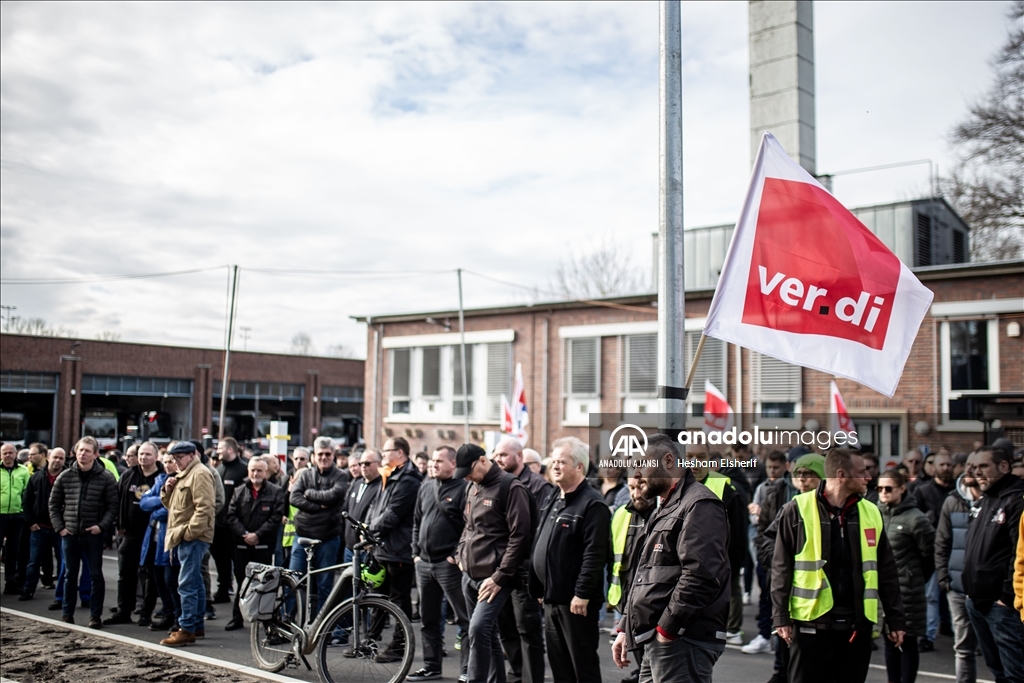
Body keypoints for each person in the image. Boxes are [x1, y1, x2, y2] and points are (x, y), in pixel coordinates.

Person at [771, 448, 906, 683]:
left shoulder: (871, 512)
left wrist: (896, 620)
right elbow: (781, 567)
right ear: (842, 475)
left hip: (857, 627)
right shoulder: (796, 509)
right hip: (810, 626)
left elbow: (887, 571)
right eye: (862, 472)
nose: (868, 477)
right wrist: (781, 616)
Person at [611, 435, 730, 683]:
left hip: (681, 640)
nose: (636, 474)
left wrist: (667, 630)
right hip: (659, 638)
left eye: (641, 464)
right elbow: (647, 574)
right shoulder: (665, 507)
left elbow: (701, 576)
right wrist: (626, 628)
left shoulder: (699, 504)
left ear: (667, 460)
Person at [530, 437, 609, 683]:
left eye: (562, 462)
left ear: (579, 467)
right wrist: (540, 587)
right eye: (553, 461)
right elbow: (541, 543)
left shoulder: (592, 504)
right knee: (560, 667)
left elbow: (595, 555)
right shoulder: (554, 498)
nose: (555, 466)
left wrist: (582, 593)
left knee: (581, 666)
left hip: (576, 603)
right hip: (553, 599)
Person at [455, 443, 532, 683]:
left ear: (481, 460)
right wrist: (460, 555)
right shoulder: (472, 486)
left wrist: (499, 577)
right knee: (485, 634)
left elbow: (520, 537)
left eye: (468, 470)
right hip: (469, 575)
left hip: (494, 578)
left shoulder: (511, 487)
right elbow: (468, 527)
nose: (466, 477)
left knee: (478, 630)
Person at [758, 453, 824, 683]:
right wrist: (777, 561)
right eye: (799, 474)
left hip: (819, 601)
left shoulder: (832, 509)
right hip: (789, 591)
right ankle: (780, 673)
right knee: (786, 647)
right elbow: (766, 537)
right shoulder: (789, 504)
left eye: (809, 474)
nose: (803, 480)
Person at [408, 445, 471, 682]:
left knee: (464, 618)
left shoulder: (465, 489)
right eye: (433, 460)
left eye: (439, 461)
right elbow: (416, 522)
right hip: (424, 564)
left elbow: (470, 527)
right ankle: (431, 666)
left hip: (449, 566)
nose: (433, 464)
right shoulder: (425, 487)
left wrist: (456, 554)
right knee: (428, 619)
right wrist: (415, 553)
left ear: (453, 464)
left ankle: (466, 670)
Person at [962, 446, 1024, 683]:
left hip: (1003, 607)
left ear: (1004, 467)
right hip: (976, 601)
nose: (978, 473)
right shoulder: (984, 501)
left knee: (1015, 674)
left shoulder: (1017, 500)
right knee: (996, 671)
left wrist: (1007, 597)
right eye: (975, 468)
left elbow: (1019, 554)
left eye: (984, 467)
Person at [493, 435, 552, 683]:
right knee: (506, 629)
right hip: (501, 569)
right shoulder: (497, 484)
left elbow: (539, 533)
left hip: (525, 571)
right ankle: (516, 676)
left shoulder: (539, 487)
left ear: (518, 456)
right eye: (495, 455)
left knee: (528, 632)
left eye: (503, 455)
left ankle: (531, 679)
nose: (498, 459)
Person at [48, 436, 119, 628]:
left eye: (87, 451)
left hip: (93, 534)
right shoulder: (66, 476)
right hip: (70, 533)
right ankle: (66, 613)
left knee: (96, 575)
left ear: (96, 454)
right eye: (80, 450)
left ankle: (95, 615)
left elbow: (113, 506)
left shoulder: (105, 477)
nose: (83, 454)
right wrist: (60, 528)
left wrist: (101, 526)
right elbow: (53, 504)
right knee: (70, 574)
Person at [365, 436, 423, 661]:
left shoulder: (408, 479)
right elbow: (376, 506)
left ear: (400, 453)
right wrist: (367, 528)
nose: (383, 455)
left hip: (398, 548)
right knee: (378, 597)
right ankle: (370, 641)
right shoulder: (389, 474)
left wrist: (371, 528)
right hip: (384, 546)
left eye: (387, 450)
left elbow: (393, 513)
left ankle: (400, 646)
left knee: (399, 600)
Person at [687, 442, 748, 645]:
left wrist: (733, 563)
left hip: (720, 561)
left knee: (729, 591)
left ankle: (732, 628)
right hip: (687, 563)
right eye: (689, 457)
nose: (694, 463)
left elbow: (739, 532)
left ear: (709, 459)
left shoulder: (725, 487)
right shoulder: (674, 484)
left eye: (701, 457)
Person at [877, 469, 935, 683]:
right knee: (889, 640)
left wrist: (914, 576)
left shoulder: (916, 519)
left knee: (907, 642)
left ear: (902, 488)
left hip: (908, 591)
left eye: (888, 488)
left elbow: (930, 555)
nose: (883, 492)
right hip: (883, 590)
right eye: (880, 488)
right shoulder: (875, 513)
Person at [160, 440, 217, 646]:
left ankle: (187, 629)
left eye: (180, 458)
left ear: (192, 455)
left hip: (191, 537)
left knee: (187, 583)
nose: (176, 462)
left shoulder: (199, 473)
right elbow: (173, 506)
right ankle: (195, 625)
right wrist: (167, 490)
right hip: (185, 535)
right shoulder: (185, 473)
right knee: (195, 582)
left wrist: (189, 533)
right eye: (174, 459)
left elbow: (205, 508)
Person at [104, 440, 164, 625]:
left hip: (152, 533)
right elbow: (118, 499)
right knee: (125, 572)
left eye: (147, 454)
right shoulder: (129, 475)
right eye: (141, 454)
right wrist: (118, 524)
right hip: (130, 531)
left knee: (150, 574)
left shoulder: (162, 477)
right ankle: (124, 610)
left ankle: (146, 612)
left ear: (155, 456)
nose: (143, 457)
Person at [224, 456, 286, 630]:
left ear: (265, 472)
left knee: (264, 584)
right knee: (241, 582)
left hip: (263, 545)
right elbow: (231, 515)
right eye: (252, 470)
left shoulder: (276, 491)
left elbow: (276, 517)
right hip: (242, 544)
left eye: (259, 470)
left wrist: (258, 535)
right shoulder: (239, 491)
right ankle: (237, 618)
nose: (255, 473)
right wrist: (245, 534)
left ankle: (265, 621)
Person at [935, 461, 983, 683]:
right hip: (957, 587)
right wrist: (945, 579)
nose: (972, 471)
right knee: (963, 649)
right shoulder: (952, 501)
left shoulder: (995, 502)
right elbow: (942, 542)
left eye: (979, 466)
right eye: (970, 465)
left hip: (987, 589)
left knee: (998, 646)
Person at [289, 436, 347, 617]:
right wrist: (318, 506)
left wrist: (309, 494)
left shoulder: (341, 476)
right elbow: (294, 498)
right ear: (314, 455)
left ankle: (321, 625)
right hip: (302, 537)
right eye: (320, 454)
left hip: (328, 538)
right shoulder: (306, 474)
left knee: (324, 585)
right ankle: (286, 621)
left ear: (333, 455)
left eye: (327, 454)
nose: (324, 457)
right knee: (293, 580)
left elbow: (334, 496)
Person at [606, 477, 656, 683]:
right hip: (627, 602)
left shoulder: (665, 514)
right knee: (642, 661)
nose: (636, 494)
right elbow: (612, 558)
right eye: (631, 488)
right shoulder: (621, 514)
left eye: (641, 487)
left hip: (655, 606)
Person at [743, 450, 792, 656]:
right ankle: (765, 635)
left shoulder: (789, 489)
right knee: (765, 594)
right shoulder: (762, 488)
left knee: (779, 596)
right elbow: (754, 520)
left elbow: (787, 519)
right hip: (765, 547)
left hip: (784, 550)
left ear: (785, 467)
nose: (772, 471)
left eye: (776, 468)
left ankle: (777, 638)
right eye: (770, 467)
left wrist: (762, 514)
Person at [914, 449, 955, 651]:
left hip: (955, 550)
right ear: (933, 467)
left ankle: (954, 631)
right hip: (931, 551)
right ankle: (928, 636)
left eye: (949, 464)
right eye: (942, 465)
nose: (946, 468)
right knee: (931, 595)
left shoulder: (957, 491)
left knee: (956, 595)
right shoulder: (923, 491)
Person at [139, 450, 179, 632]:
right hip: (154, 537)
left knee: (171, 579)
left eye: (171, 461)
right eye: (166, 461)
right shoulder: (160, 480)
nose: (168, 464)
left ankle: (179, 618)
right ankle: (168, 614)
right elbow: (144, 503)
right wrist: (161, 504)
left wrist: (158, 508)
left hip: (170, 537)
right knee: (158, 578)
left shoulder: (181, 481)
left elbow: (173, 510)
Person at [20, 447, 66, 600]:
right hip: (39, 526)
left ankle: (62, 593)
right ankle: (28, 589)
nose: (58, 461)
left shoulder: (69, 477)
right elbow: (26, 502)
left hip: (61, 528)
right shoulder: (37, 478)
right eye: (55, 457)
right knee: (34, 561)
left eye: (61, 458)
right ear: (48, 457)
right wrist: (31, 522)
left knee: (63, 563)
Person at [211, 436, 247, 604]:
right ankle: (223, 589)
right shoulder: (218, 470)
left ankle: (243, 593)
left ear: (230, 450)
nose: (217, 452)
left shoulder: (243, 470)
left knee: (238, 562)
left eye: (220, 449)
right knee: (220, 559)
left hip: (235, 526)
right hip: (218, 524)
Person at [1, 441, 31, 595]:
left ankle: (10, 582)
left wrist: (24, 512)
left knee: (13, 551)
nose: (8, 455)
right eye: (5, 453)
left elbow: (27, 493)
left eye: (10, 452)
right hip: (0, 515)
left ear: (15, 454)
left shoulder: (23, 471)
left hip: (17, 516)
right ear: (1, 455)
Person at [343, 448, 381, 563]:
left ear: (379, 464)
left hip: (367, 549)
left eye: (367, 463)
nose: (363, 466)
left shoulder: (381, 487)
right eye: (361, 463)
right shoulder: (357, 483)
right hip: (349, 548)